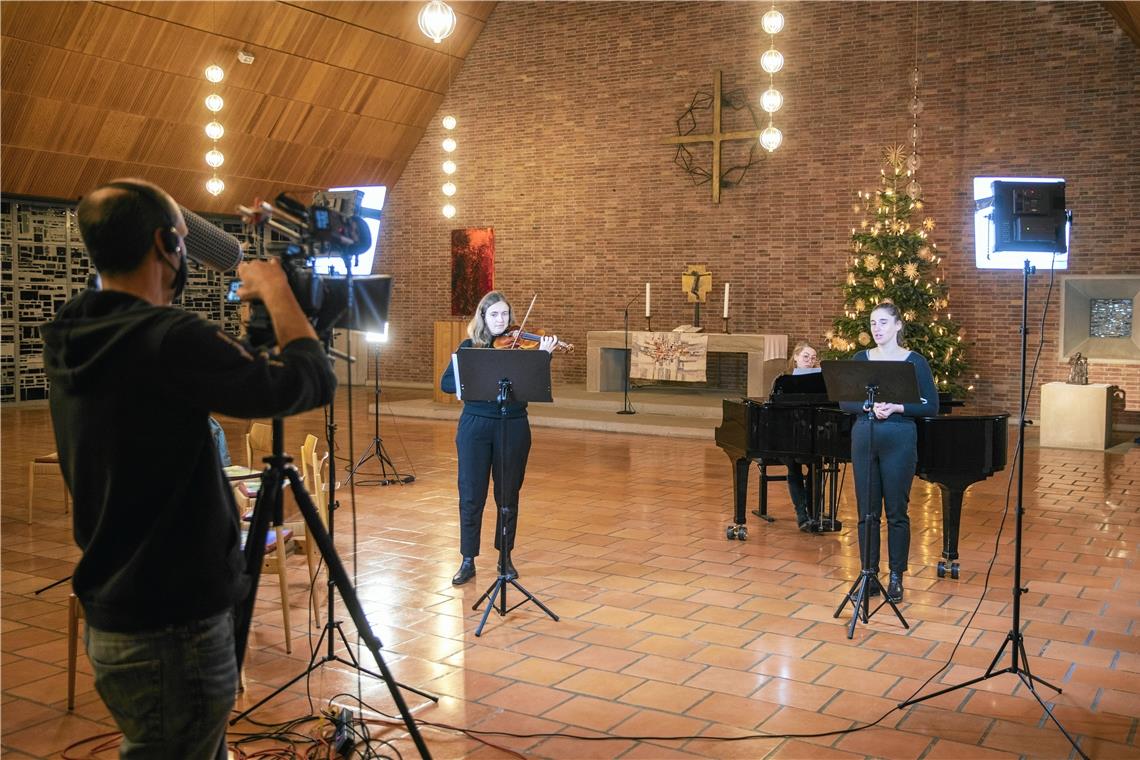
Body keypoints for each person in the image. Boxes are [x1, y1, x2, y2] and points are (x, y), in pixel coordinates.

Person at [41, 178, 337, 759]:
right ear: (164, 245)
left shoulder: (72, 332)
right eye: (181, 239)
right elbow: (309, 380)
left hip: (113, 610)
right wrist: (278, 292)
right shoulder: (169, 338)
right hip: (173, 623)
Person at [439, 290, 557, 586]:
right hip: (475, 426)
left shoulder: (523, 348)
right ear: (483, 317)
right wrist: (470, 377)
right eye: (494, 314)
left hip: (513, 425)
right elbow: (446, 383)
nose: (500, 320)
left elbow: (534, 385)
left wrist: (544, 357)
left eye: (505, 314)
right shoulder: (470, 347)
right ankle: (468, 559)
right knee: (470, 495)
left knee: (507, 496)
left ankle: (505, 556)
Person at [838, 302, 938, 602]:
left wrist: (897, 407)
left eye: (883, 322)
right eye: (872, 323)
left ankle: (896, 578)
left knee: (896, 512)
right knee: (866, 512)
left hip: (899, 438)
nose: (877, 328)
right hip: (865, 437)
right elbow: (846, 402)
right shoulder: (860, 358)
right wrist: (868, 406)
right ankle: (868, 575)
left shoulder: (914, 362)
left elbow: (930, 405)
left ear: (897, 325)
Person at [773, 342, 820, 531]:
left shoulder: (820, 381)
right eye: (806, 357)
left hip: (814, 431)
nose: (810, 361)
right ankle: (802, 515)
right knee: (794, 468)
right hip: (788, 433)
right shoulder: (783, 380)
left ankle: (814, 513)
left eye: (813, 358)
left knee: (816, 468)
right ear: (796, 358)